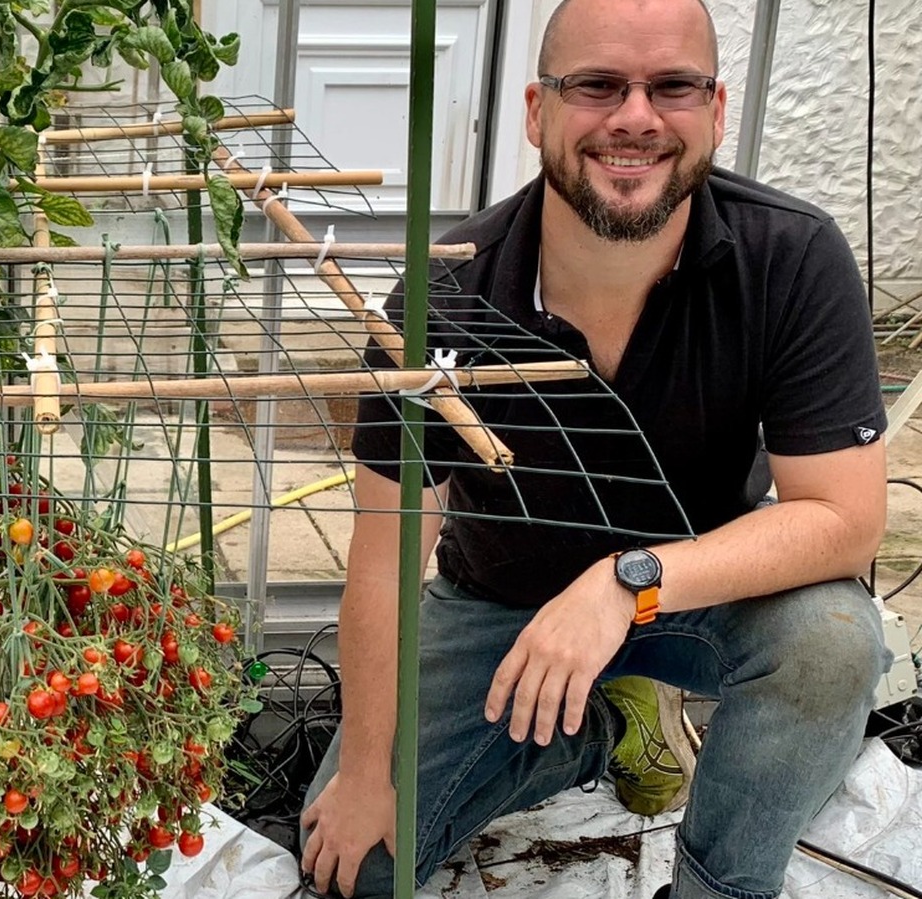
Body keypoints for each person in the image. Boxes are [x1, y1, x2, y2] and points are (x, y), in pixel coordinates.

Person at [296, 1, 892, 898]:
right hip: (499, 602)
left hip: (704, 593)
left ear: (717, 109)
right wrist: (366, 775)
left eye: (672, 86)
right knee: (357, 864)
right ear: (538, 111)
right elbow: (382, 565)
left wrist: (627, 583)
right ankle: (592, 731)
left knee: (836, 641)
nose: (636, 117)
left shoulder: (791, 257)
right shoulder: (443, 292)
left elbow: (846, 521)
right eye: (598, 85)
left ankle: (717, 885)